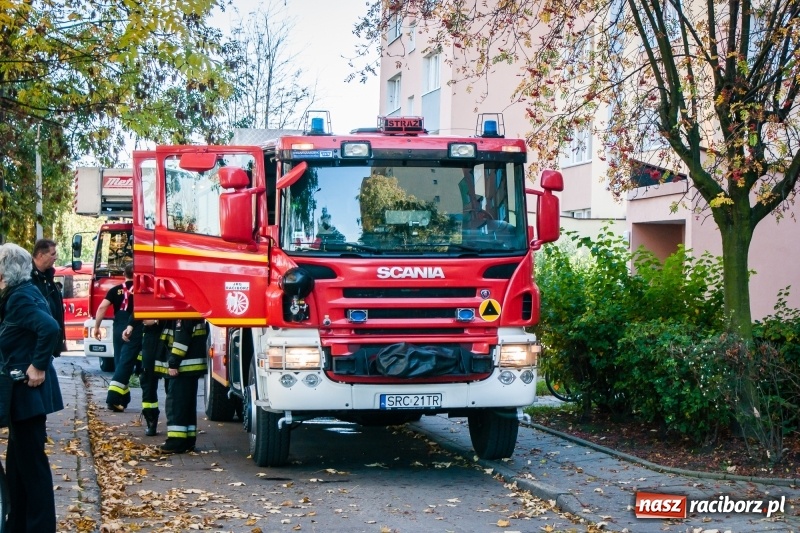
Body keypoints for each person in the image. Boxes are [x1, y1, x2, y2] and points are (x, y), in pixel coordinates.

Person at [0, 243, 64, 532]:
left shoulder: (20, 298)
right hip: (23, 395)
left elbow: (49, 328)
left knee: (31, 466)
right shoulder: (20, 293)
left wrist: (37, 365)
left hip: (27, 393)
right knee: (18, 465)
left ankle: (39, 527)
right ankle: (19, 524)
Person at [155, 318, 208, 454]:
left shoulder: (182, 317)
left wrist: (173, 363)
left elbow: (180, 342)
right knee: (187, 407)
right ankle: (188, 440)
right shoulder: (191, 315)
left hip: (182, 368)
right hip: (190, 369)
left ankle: (175, 442)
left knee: (176, 405)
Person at [95, 264, 139, 411]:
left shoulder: (114, 290)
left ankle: (124, 398)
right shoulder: (141, 290)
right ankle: (113, 398)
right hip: (134, 327)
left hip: (118, 327)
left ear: (123, 274)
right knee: (126, 364)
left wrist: (96, 327)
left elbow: (102, 307)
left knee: (120, 362)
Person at [125, 318, 164, 436]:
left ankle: (176, 425)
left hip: (166, 343)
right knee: (147, 384)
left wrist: (157, 321)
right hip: (149, 342)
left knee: (172, 388)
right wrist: (130, 325)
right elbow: (139, 307)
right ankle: (151, 422)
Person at [30, 238, 66, 358]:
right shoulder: (27, 278)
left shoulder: (48, 277)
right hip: (35, 342)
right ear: (41, 255)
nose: (55, 257)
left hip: (48, 341)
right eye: (52, 254)